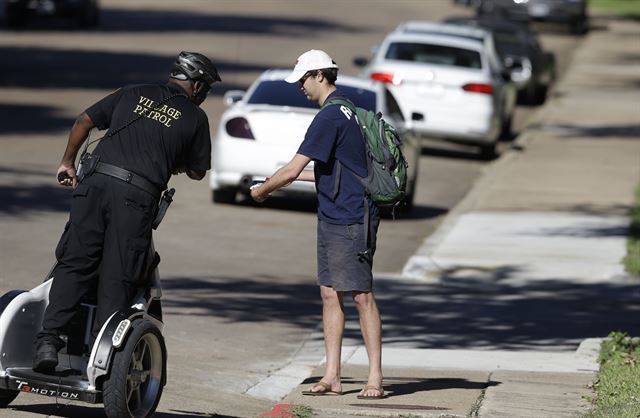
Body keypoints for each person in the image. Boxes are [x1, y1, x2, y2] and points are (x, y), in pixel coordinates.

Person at [33, 51, 221, 373]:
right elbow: (197, 171)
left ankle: (48, 343)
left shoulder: (132, 92)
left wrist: (67, 161)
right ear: (198, 85)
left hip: (93, 184)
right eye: (206, 89)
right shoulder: (195, 117)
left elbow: (84, 121)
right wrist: (171, 159)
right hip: (135, 196)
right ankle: (100, 357)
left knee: (76, 262)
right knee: (118, 274)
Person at [250, 49, 384, 399]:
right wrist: (274, 181)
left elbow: (293, 169)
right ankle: (332, 376)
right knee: (329, 294)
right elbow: (331, 171)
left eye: (304, 80)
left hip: (352, 215)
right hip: (334, 212)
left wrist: (263, 191)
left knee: (361, 296)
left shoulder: (331, 116)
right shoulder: (345, 109)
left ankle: (374, 379)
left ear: (320, 75)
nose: (301, 88)